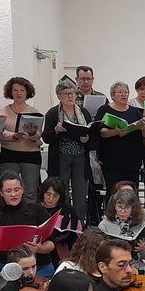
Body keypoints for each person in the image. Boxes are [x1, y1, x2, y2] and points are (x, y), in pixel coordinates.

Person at [0, 172, 55, 278]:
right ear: (1, 192)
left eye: (17, 190)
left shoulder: (37, 210)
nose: (13, 194)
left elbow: (51, 243)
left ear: (22, 190)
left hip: (36, 266)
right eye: (8, 191)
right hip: (1, 267)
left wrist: (39, 248)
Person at [42, 80, 93, 221]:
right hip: (60, 156)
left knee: (80, 192)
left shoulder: (83, 112)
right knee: (61, 191)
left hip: (80, 157)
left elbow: (91, 133)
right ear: (59, 96)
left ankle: (79, 223)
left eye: (72, 93)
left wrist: (87, 139)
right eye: (66, 94)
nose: (70, 96)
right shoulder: (52, 113)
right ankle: (61, 221)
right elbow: (46, 137)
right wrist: (56, 131)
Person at [93, 82, 145, 190]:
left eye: (126, 92)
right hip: (111, 160)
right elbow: (101, 132)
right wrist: (116, 132)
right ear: (112, 95)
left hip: (132, 160)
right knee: (113, 191)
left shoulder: (135, 111)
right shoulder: (104, 110)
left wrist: (143, 127)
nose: (124, 95)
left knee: (132, 191)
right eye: (120, 92)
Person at [0, 77, 42, 198]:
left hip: (30, 154)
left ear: (27, 92)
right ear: (10, 92)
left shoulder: (34, 112)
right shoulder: (2, 111)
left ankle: (29, 216)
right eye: (15, 90)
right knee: (8, 191)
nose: (19, 93)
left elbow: (38, 137)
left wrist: (32, 133)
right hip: (9, 154)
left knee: (30, 192)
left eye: (22, 90)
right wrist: (13, 136)